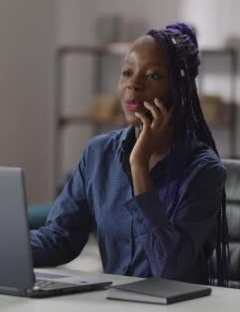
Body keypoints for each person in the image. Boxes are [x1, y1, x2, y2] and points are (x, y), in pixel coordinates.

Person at [30, 22, 229, 286]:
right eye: (127, 72)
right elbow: (61, 238)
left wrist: (139, 168)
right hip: (115, 303)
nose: (133, 85)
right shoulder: (98, 153)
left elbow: (169, 271)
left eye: (153, 76)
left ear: (179, 90)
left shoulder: (204, 171)